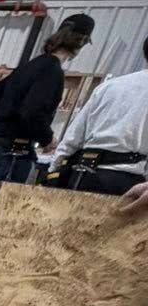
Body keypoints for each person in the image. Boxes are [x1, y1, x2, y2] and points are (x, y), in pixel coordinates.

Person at [0, 15, 94, 183]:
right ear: (82, 41)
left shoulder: (32, 65)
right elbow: (32, 112)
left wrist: (4, 124)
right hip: (12, 156)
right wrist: (47, 139)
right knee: (3, 208)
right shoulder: (52, 70)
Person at [47, 36, 148, 195]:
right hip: (124, 182)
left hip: (82, 175)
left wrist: (53, 170)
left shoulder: (109, 86)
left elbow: (73, 136)